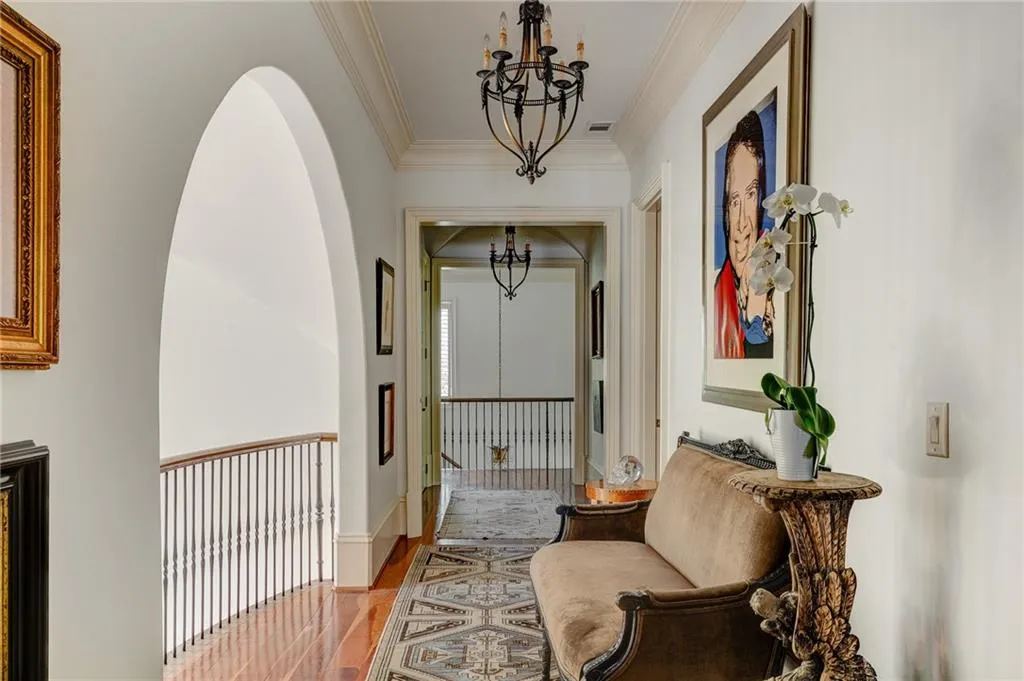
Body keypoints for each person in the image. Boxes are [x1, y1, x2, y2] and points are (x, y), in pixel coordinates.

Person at [714, 109, 775, 359]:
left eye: (750, 195)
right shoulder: (719, 288)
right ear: (725, 207)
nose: (740, 223)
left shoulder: (774, 271)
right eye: (734, 200)